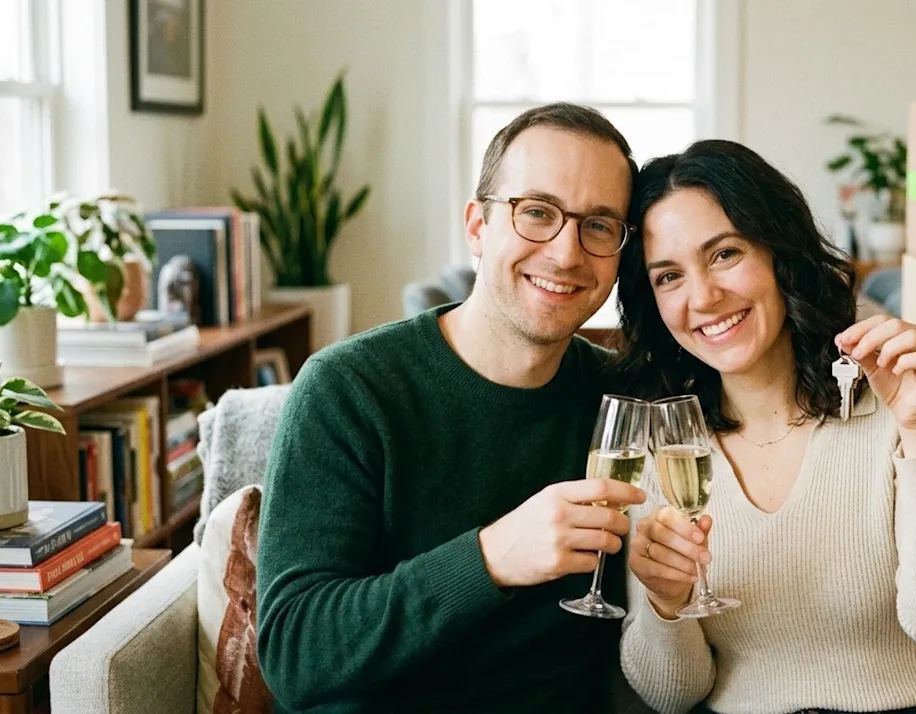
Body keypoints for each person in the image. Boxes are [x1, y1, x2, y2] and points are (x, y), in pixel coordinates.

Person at [255, 103, 649, 713]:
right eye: (537, 213)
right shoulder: (349, 389)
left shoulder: (623, 401)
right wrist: (490, 558)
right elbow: (294, 653)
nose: (568, 253)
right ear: (477, 227)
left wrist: (850, 356)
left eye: (598, 226)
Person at [613, 140, 916, 714]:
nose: (703, 297)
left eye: (725, 254)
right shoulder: (663, 444)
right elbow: (670, 695)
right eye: (669, 276)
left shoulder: (905, 395)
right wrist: (666, 605)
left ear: (779, 252)